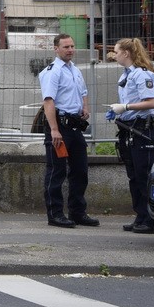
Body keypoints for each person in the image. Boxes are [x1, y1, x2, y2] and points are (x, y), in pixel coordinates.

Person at [38, 33, 98, 228]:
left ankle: (77, 212)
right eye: (66, 47)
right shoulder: (52, 71)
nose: (71, 50)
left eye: (72, 46)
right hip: (60, 127)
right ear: (56, 49)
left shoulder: (74, 70)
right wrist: (54, 130)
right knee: (57, 171)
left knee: (80, 171)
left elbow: (83, 92)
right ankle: (55, 214)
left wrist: (85, 107)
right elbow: (48, 101)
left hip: (74, 126)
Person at [107, 37, 154, 233]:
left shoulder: (141, 75)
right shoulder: (126, 75)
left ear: (126, 53)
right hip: (129, 128)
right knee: (133, 176)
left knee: (144, 175)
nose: (115, 54)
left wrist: (126, 107)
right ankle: (140, 216)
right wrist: (118, 110)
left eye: (117, 51)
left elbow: (151, 102)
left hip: (143, 130)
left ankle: (152, 220)